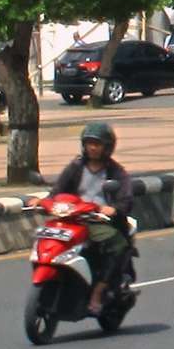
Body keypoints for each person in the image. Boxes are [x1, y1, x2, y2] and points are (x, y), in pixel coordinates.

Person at [48, 121, 138, 303]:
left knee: (117, 244)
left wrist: (114, 209)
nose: (93, 148)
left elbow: (125, 199)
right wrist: (45, 201)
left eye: (97, 144)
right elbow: (58, 190)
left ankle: (99, 289)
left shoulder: (116, 172)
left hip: (99, 221)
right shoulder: (76, 167)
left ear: (107, 147)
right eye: (89, 143)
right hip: (73, 218)